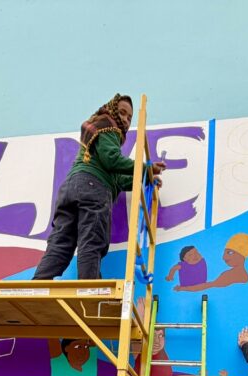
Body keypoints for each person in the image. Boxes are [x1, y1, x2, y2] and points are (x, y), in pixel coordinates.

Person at [32, 94, 165, 280]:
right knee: (92, 241)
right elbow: (112, 160)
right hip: (92, 188)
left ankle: (39, 285)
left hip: (71, 188)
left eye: (129, 117)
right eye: (122, 113)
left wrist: (146, 179)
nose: (125, 120)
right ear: (111, 110)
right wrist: (146, 168)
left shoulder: (100, 130)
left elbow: (116, 179)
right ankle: (89, 288)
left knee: (61, 244)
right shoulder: (110, 126)